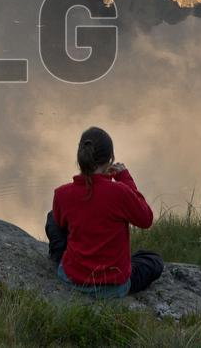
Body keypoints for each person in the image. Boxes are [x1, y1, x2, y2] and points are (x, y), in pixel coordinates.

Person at [47, 126, 163, 298]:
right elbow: (146, 219)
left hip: (71, 279)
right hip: (113, 287)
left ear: (80, 157)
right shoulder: (120, 192)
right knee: (153, 260)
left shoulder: (62, 194)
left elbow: (61, 223)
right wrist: (124, 177)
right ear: (110, 158)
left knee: (52, 217)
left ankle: (65, 260)